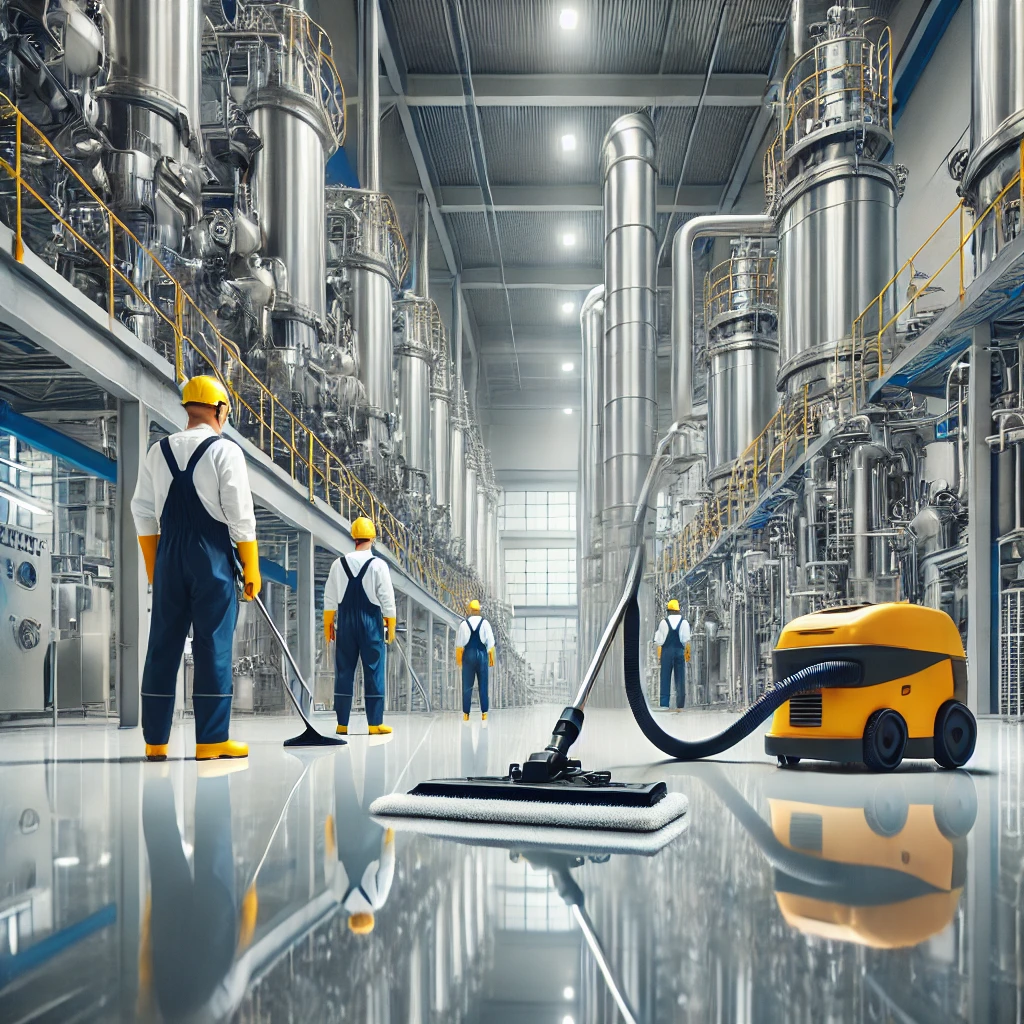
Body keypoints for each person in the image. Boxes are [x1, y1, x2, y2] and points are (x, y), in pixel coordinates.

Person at [132, 375, 260, 762]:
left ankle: (155, 741)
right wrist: (250, 566)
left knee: (162, 646)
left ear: (188, 407)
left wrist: (156, 568)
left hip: (168, 555)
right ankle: (211, 741)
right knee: (213, 646)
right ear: (221, 410)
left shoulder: (158, 451)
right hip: (212, 560)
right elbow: (240, 516)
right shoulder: (226, 451)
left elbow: (142, 511)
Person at [139, 765, 256, 1022]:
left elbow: (241, 957)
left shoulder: (223, 1012)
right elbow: (147, 978)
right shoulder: (163, 1016)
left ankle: (212, 765)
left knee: (215, 838)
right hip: (169, 951)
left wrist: (248, 904)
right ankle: (155, 763)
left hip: (214, 931)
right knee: (163, 850)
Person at [323, 517, 396, 736]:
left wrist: (328, 623)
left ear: (353, 537)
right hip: (370, 625)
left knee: (344, 671)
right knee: (373, 671)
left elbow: (329, 597)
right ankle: (375, 725)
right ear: (372, 538)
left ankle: (342, 725)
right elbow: (387, 598)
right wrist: (390, 623)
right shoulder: (378, 565)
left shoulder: (338, 563)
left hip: (345, 624)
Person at [325, 744, 395, 936]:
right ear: (351, 919)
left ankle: (376, 745)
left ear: (370, 918)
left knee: (375, 783)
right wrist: (329, 831)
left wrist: (389, 836)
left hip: (372, 833)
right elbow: (330, 861)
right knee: (344, 786)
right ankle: (341, 742)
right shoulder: (339, 896)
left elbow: (387, 866)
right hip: (345, 833)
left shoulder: (377, 900)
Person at [455, 599, 495, 722]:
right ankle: (484, 713)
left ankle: (466, 714)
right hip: (482, 655)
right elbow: (491, 642)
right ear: (479, 610)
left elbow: (459, 644)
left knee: (467, 685)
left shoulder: (463, 624)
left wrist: (459, 660)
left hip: (468, 656)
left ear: (470, 610)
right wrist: (491, 657)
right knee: (483, 685)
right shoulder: (485, 623)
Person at [654, 599, 691, 710]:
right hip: (679, 652)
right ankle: (680, 704)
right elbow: (686, 641)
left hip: (666, 652)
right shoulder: (684, 623)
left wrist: (659, 655)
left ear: (668, 611)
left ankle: (664, 704)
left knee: (665, 677)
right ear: (678, 610)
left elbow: (659, 641)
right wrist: (687, 655)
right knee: (680, 678)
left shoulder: (663, 622)